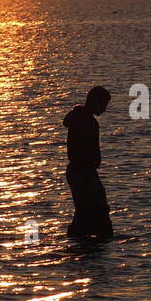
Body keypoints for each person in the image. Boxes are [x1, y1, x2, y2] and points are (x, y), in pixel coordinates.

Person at [63, 86, 114, 239]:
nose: (104, 110)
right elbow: (86, 150)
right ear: (95, 102)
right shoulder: (88, 122)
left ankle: (78, 239)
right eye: (103, 105)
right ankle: (96, 239)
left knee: (84, 210)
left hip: (78, 171)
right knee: (94, 209)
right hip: (83, 172)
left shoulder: (78, 117)